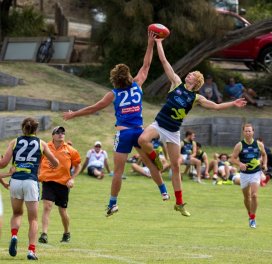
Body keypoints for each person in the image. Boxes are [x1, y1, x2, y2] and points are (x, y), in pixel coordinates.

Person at [138, 37, 246, 217]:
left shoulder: (196, 98)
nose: (188, 75)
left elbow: (216, 106)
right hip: (159, 124)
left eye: (192, 75)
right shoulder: (176, 84)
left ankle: (179, 203)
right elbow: (164, 61)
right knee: (142, 139)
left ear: (196, 82)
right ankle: (156, 159)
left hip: (173, 132)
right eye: (189, 74)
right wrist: (158, 43)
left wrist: (233, 103)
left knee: (175, 167)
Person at [63, 32, 169, 217]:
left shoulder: (113, 94)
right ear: (128, 76)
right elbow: (146, 65)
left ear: (114, 79)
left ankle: (113, 203)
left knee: (118, 172)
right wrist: (150, 43)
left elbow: (93, 108)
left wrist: (74, 115)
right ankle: (164, 191)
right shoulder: (137, 85)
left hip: (123, 134)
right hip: (139, 131)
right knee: (150, 162)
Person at [0, 117, 59, 260]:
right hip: (30, 182)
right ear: (36, 129)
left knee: (17, 213)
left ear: (22, 128)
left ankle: (14, 235)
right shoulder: (41, 143)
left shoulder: (15, 142)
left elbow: (2, 164)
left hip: (15, 181)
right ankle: (31, 251)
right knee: (33, 219)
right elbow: (56, 163)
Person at [38, 126, 81, 244]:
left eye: (63, 132)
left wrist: (72, 179)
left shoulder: (70, 150)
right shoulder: (45, 147)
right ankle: (44, 234)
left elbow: (78, 166)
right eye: (58, 132)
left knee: (62, 210)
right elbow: (38, 162)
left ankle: (66, 233)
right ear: (53, 135)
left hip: (63, 183)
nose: (61, 134)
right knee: (47, 206)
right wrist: (37, 175)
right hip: (48, 181)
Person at [230, 123, 267, 228]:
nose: (248, 133)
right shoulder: (239, 145)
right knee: (247, 197)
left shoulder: (259, 144)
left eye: (250, 131)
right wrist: (240, 164)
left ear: (253, 132)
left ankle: (253, 218)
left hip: (255, 172)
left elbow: (264, 154)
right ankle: (250, 215)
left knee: (254, 195)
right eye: (246, 131)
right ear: (243, 132)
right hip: (244, 174)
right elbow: (232, 158)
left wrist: (264, 164)